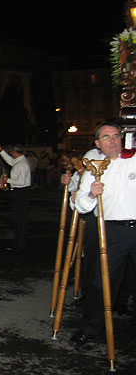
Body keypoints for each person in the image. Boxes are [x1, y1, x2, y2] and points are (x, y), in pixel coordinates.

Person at [70, 120, 136, 347]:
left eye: (116, 136)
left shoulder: (134, 160)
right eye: (106, 137)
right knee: (101, 283)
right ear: (98, 143)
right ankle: (91, 328)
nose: (112, 141)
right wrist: (90, 194)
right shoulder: (94, 168)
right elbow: (80, 206)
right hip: (111, 230)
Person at [0, 143, 31, 251]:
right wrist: (1, 151)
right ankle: (19, 242)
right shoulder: (20, 161)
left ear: (15, 152)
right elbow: (10, 161)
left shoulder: (22, 164)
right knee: (18, 218)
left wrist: (7, 181)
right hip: (20, 192)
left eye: (11, 152)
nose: (11, 154)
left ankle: (20, 244)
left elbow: (21, 181)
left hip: (20, 192)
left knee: (20, 219)